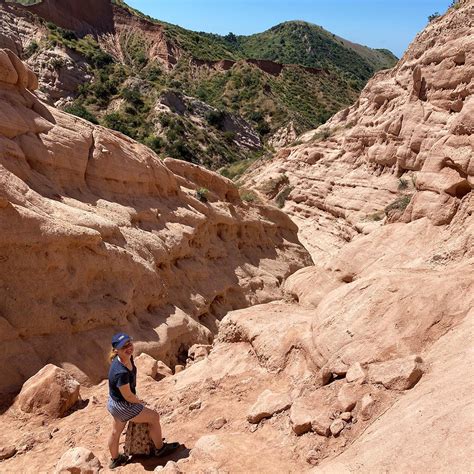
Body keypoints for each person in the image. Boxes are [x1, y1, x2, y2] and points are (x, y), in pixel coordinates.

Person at [107, 332, 179, 469]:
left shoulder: (126, 358)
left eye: (129, 344)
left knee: (115, 432)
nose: (129, 348)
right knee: (153, 417)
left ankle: (115, 460)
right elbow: (128, 396)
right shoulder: (120, 372)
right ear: (116, 350)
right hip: (124, 405)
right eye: (124, 347)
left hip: (114, 403)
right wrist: (139, 402)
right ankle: (160, 449)